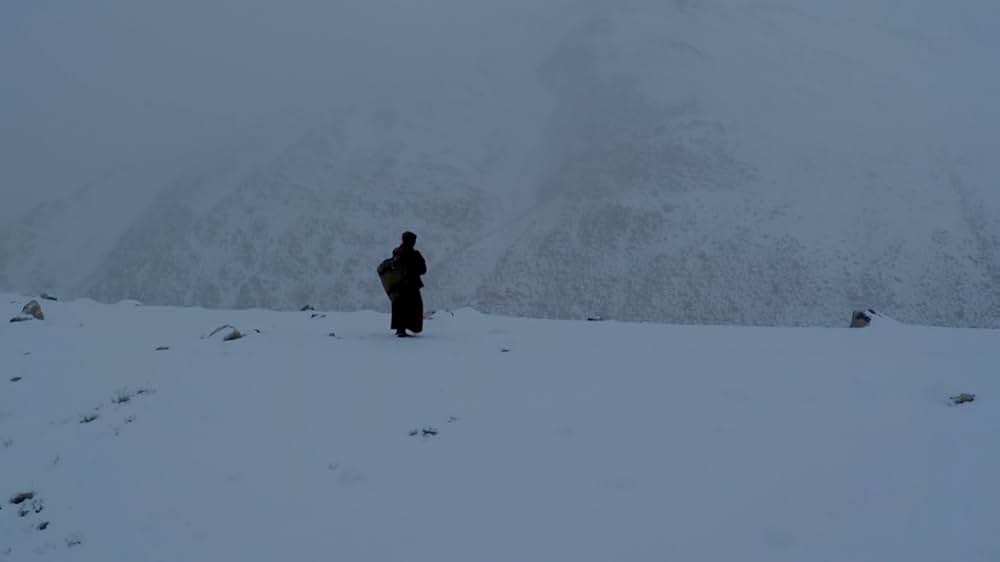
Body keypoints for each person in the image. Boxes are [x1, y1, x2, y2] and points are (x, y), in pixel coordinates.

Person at [388, 231, 426, 337]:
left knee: (399, 307)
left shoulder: (397, 252)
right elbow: (423, 269)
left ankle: (400, 328)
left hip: (397, 286)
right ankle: (404, 329)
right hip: (411, 286)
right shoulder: (414, 254)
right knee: (413, 306)